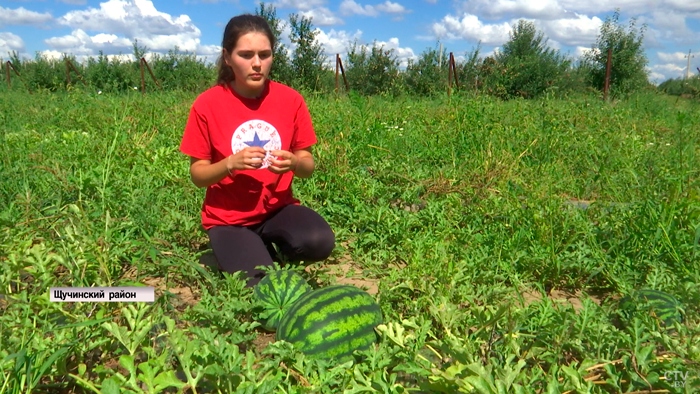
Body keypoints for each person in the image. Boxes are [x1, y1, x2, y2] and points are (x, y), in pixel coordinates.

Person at [179, 14, 335, 287]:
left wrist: (295, 163)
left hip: (277, 210)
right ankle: (240, 248)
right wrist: (230, 163)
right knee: (260, 283)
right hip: (228, 220)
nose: (256, 64)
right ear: (227, 57)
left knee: (319, 241)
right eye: (245, 54)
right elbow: (197, 174)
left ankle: (262, 245)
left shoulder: (291, 100)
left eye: (264, 54)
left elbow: (308, 166)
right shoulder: (207, 104)